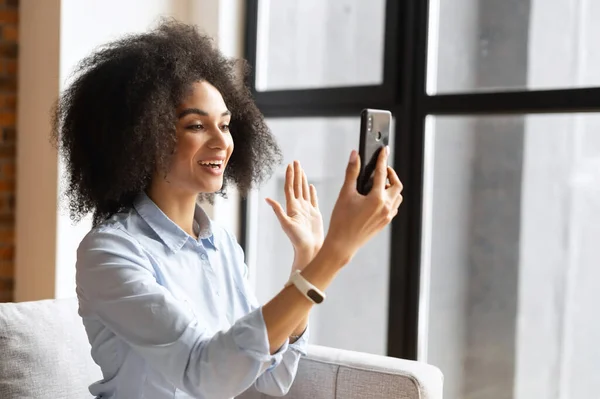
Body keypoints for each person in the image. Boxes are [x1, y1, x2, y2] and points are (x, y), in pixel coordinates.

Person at [53, 20, 403, 399]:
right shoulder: (109, 252)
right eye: (196, 126)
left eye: (225, 124)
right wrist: (336, 253)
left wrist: (307, 260)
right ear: (145, 137)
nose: (222, 141)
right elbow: (207, 375)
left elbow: (270, 380)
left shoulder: (220, 245)